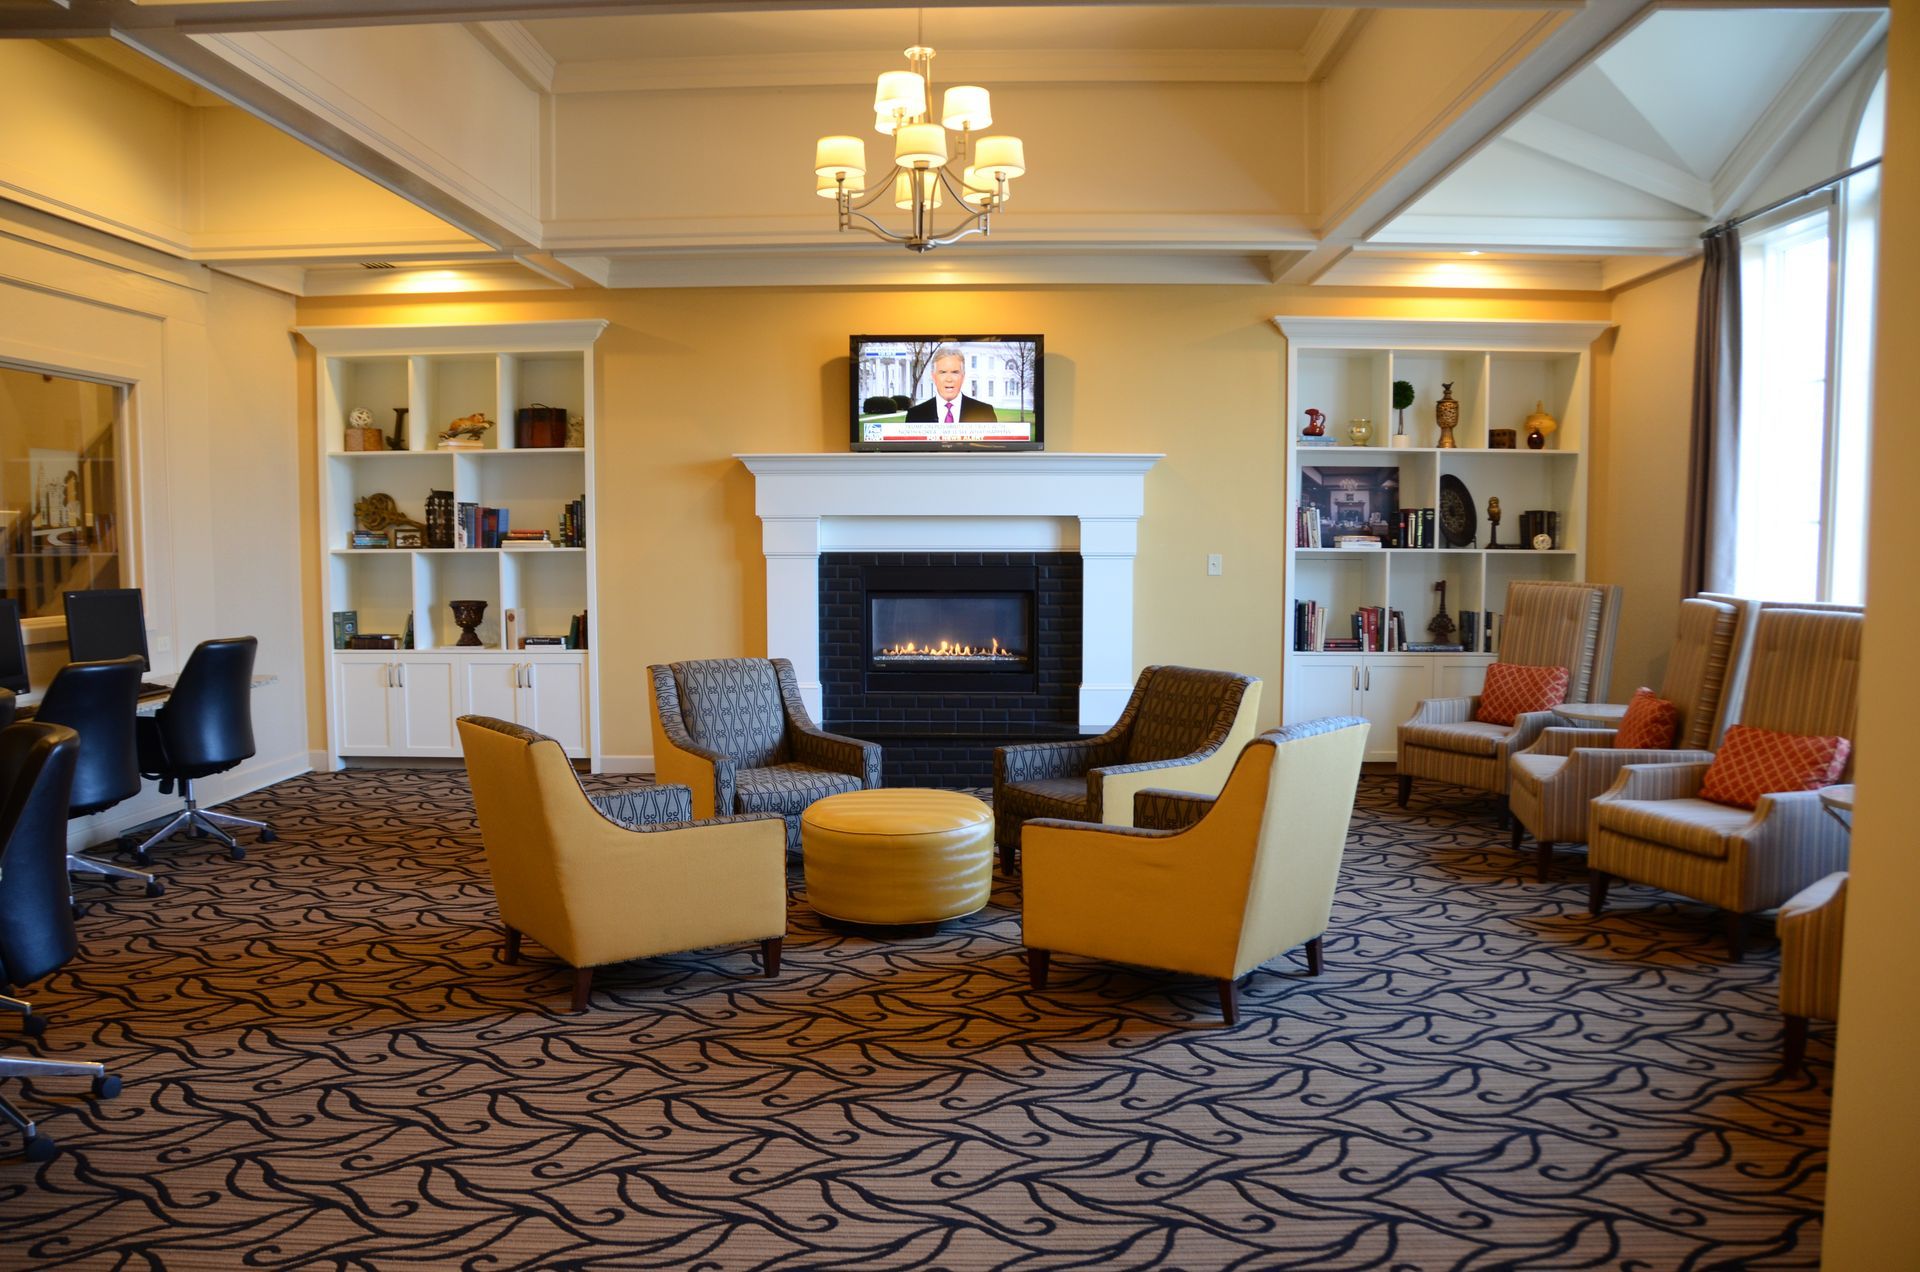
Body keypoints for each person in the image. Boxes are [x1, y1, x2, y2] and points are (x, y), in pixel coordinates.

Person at [905, 347, 998, 424]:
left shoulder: (986, 413)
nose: (949, 379)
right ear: (933, 377)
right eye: (943, 372)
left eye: (955, 372)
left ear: (963, 376)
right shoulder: (914, 415)